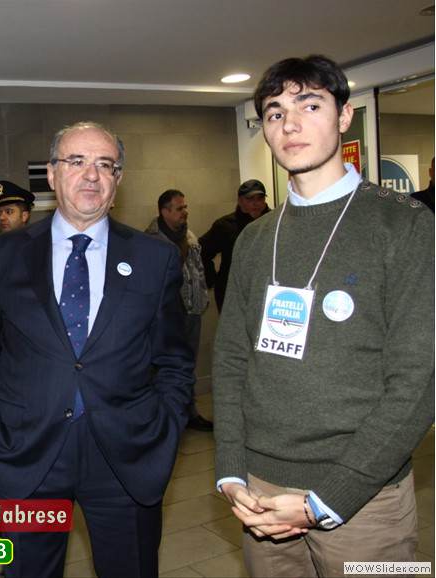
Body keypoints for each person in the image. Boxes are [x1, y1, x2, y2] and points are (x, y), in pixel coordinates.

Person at [213, 55, 434, 577]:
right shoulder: (255, 238)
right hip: (261, 491)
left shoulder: (405, 225)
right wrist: (230, 470)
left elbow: (419, 379)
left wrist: (329, 498)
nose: (290, 124)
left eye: (309, 106)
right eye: (274, 113)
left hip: (365, 499)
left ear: (344, 116)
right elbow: (231, 359)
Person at [0, 122, 194, 577]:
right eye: (77, 161)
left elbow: (174, 359)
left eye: (105, 165)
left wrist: (165, 428)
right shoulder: (3, 254)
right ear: (52, 174)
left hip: (126, 454)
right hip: (27, 452)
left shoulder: (154, 258)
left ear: (117, 179)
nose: (92, 174)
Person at [145, 189, 212, 431]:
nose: (185, 212)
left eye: (185, 207)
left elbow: (198, 271)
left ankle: (189, 412)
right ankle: (163, 417)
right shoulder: (150, 241)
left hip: (191, 312)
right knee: (163, 367)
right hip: (165, 318)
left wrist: (202, 298)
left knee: (188, 364)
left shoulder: (190, 237)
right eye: (179, 208)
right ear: (165, 211)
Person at [199, 179, 271, 312]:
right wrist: (214, 280)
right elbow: (202, 250)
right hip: (232, 292)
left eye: (260, 198)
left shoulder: (274, 223)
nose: (255, 203)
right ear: (240, 201)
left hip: (265, 290)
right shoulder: (225, 226)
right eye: (250, 199)